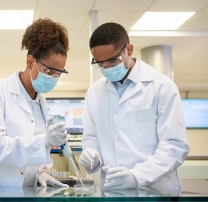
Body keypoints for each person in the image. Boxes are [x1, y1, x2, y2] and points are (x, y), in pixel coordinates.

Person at [0, 18, 70, 188]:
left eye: (59, 73)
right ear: (30, 61)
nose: (53, 78)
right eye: (49, 70)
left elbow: (34, 152)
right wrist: (44, 141)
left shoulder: (41, 103)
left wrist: (42, 172)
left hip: (23, 191)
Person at [78, 22, 189, 190]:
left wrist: (137, 176)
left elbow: (174, 146)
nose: (106, 67)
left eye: (112, 60)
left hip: (156, 190)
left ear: (128, 49)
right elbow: (92, 138)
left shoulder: (161, 87)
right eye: (100, 63)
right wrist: (92, 154)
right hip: (113, 189)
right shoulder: (94, 93)